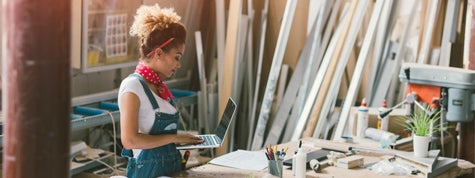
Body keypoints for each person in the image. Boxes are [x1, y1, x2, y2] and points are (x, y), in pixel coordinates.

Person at [118, 4, 204, 177]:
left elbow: (154, 132)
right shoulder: (133, 86)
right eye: (176, 57)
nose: (179, 64)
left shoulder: (159, 86)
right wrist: (174, 138)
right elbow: (129, 140)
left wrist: (183, 137)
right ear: (158, 53)